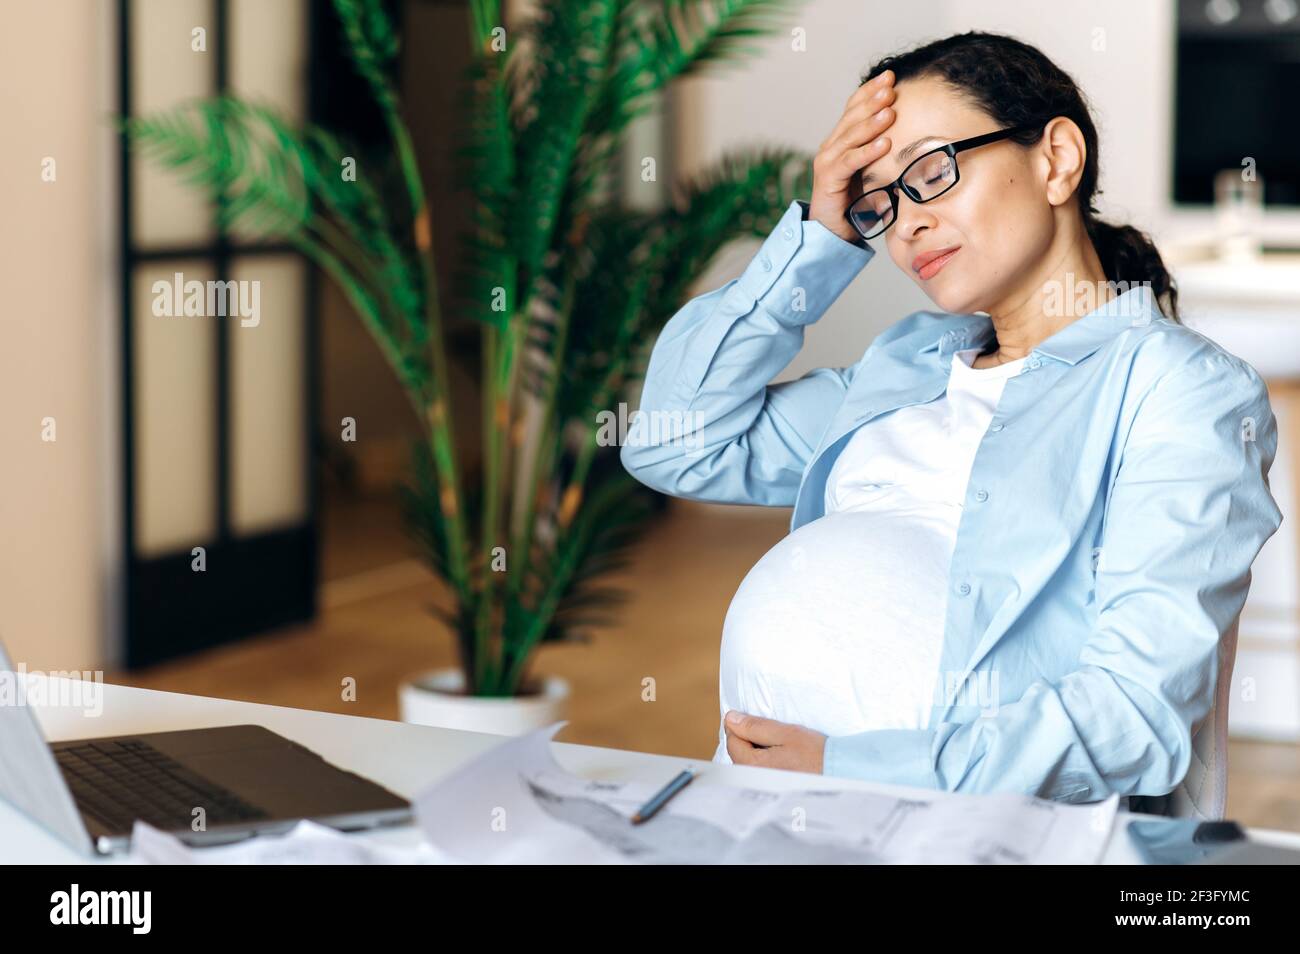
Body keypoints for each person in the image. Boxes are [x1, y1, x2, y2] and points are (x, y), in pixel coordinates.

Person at [619, 32, 1283, 805]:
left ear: (1056, 158)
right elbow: (672, 443)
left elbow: (1135, 715)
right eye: (879, 203)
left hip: (957, 831)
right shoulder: (905, 368)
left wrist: (848, 768)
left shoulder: (1177, 388)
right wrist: (821, 239)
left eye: (932, 171)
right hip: (766, 811)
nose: (904, 226)